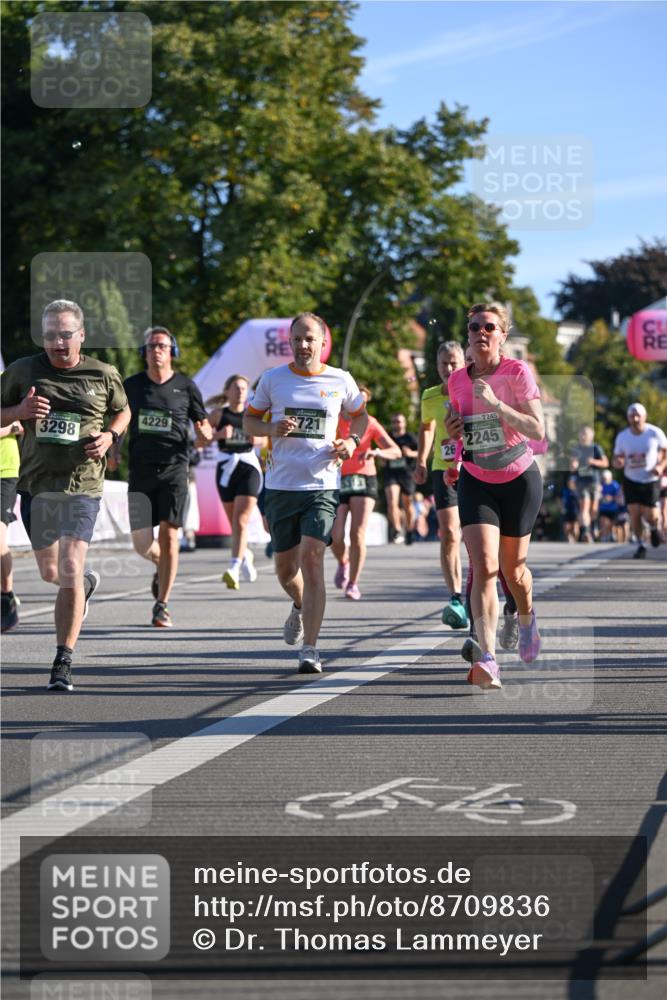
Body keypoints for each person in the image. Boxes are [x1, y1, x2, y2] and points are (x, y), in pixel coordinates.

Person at [0, 299, 130, 690]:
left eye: (66, 334)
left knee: (70, 565)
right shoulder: (22, 370)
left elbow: (123, 411)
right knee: (51, 573)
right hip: (37, 485)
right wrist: (19, 411)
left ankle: (63, 660)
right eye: (51, 335)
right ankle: (84, 587)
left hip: (82, 485)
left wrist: (110, 436)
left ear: (81, 335)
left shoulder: (102, 373)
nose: (58, 342)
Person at [243, 312, 368, 673]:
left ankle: (310, 649)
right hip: (281, 486)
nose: (303, 345)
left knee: (313, 558)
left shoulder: (340, 379)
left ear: (322, 342)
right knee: (286, 571)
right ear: (290, 342)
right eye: (297, 339)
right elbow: (248, 421)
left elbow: (361, 416)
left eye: (310, 338)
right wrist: (271, 428)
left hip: (322, 485)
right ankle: (299, 606)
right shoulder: (273, 379)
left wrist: (351, 441)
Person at [446, 302, 545, 691]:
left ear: (503, 335)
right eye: (474, 327)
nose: (481, 333)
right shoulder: (457, 381)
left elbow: (536, 429)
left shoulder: (516, 372)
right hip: (476, 478)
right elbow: (463, 432)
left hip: (519, 479)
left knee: (513, 570)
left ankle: (526, 617)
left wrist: (497, 404)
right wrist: (454, 430)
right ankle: (487, 657)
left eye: (489, 327)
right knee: (484, 566)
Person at [121, 326, 212, 626]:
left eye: (161, 346)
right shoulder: (132, 386)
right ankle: (161, 562)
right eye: (150, 346)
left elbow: (203, 424)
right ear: (143, 353)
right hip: (140, 471)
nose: (156, 351)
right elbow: (120, 421)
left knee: (170, 536)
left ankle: (162, 604)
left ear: (172, 351)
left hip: (175, 469)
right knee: (142, 544)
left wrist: (204, 434)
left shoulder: (186, 387)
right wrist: (113, 450)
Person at [415, 341, 468, 629]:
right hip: (442, 468)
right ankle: (455, 596)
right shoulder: (430, 396)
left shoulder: (474, 391)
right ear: (437, 367)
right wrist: (421, 461)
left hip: (472, 467)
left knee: (474, 534)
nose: (448, 368)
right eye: (443, 364)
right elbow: (426, 428)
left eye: (453, 363)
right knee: (449, 533)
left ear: (463, 363)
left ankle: (479, 587)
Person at [331, 386, 400, 600]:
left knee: (357, 534)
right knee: (335, 535)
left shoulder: (369, 422)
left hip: (364, 479)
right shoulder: (333, 419)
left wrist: (376, 452)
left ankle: (353, 583)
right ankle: (343, 562)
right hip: (339, 479)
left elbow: (395, 451)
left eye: (363, 402)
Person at [208, 374, 265, 589]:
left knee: (241, 520)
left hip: (248, 467)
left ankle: (233, 567)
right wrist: (218, 435)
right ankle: (245, 553)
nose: (241, 392)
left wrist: (257, 439)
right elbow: (199, 441)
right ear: (227, 391)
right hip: (226, 468)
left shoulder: (252, 415)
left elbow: (265, 439)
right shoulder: (218, 415)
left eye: (243, 388)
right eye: (236, 388)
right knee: (235, 523)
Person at [612, 402, 667, 559]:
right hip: (631, 479)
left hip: (650, 479)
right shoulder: (623, 436)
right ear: (628, 418)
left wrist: (660, 466)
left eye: (638, 416)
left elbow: (665, 451)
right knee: (634, 514)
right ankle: (641, 545)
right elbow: (617, 457)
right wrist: (618, 462)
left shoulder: (654, 433)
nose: (635, 419)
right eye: (632, 416)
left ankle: (654, 528)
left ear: (644, 417)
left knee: (651, 515)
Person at [0, 416, 23, 632]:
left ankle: (6, 598)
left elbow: (20, 424)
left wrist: (9, 427)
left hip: (4, 472)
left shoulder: (7, 391)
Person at [569, 425, 608, 542]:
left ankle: (593, 526)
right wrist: (573, 465)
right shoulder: (576, 449)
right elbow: (572, 467)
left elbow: (605, 463)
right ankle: (586, 532)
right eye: (581, 434)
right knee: (584, 507)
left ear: (591, 436)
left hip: (594, 481)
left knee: (594, 508)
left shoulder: (596, 448)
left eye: (585, 434)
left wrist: (593, 461)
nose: (583, 436)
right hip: (581, 481)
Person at [384, 413, 418, 544]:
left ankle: (409, 529)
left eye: (399, 421)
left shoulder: (410, 437)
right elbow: (381, 451)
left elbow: (422, 452)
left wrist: (410, 453)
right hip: (391, 473)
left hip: (407, 474)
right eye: (394, 422)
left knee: (407, 503)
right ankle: (397, 530)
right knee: (392, 500)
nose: (396, 424)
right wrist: (383, 457)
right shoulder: (388, 438)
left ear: (404, 423)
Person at [598, 469, 621, 542]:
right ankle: (604, 538)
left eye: (605, 478)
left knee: (612, 525)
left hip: (613, 509)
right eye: (603, 478)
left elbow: (619, 496)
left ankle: (612, 535)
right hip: (603, 508)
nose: (604, 480)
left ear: (610, 478)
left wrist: (611, 498)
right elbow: (597, 495)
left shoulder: (615, 485)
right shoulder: (600, 485)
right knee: (604, 523)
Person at [560, 476, 580, 543]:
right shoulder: (564, 490)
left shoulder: (577, 491)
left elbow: (580, 502)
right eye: (569, 482)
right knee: (566, 527)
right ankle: (570, 538)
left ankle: (575, 540)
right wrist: (561, 507)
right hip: (567, 511)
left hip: (575, 511)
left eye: (571, 482)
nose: (570, 483)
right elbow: (559, 499)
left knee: (575, 528)